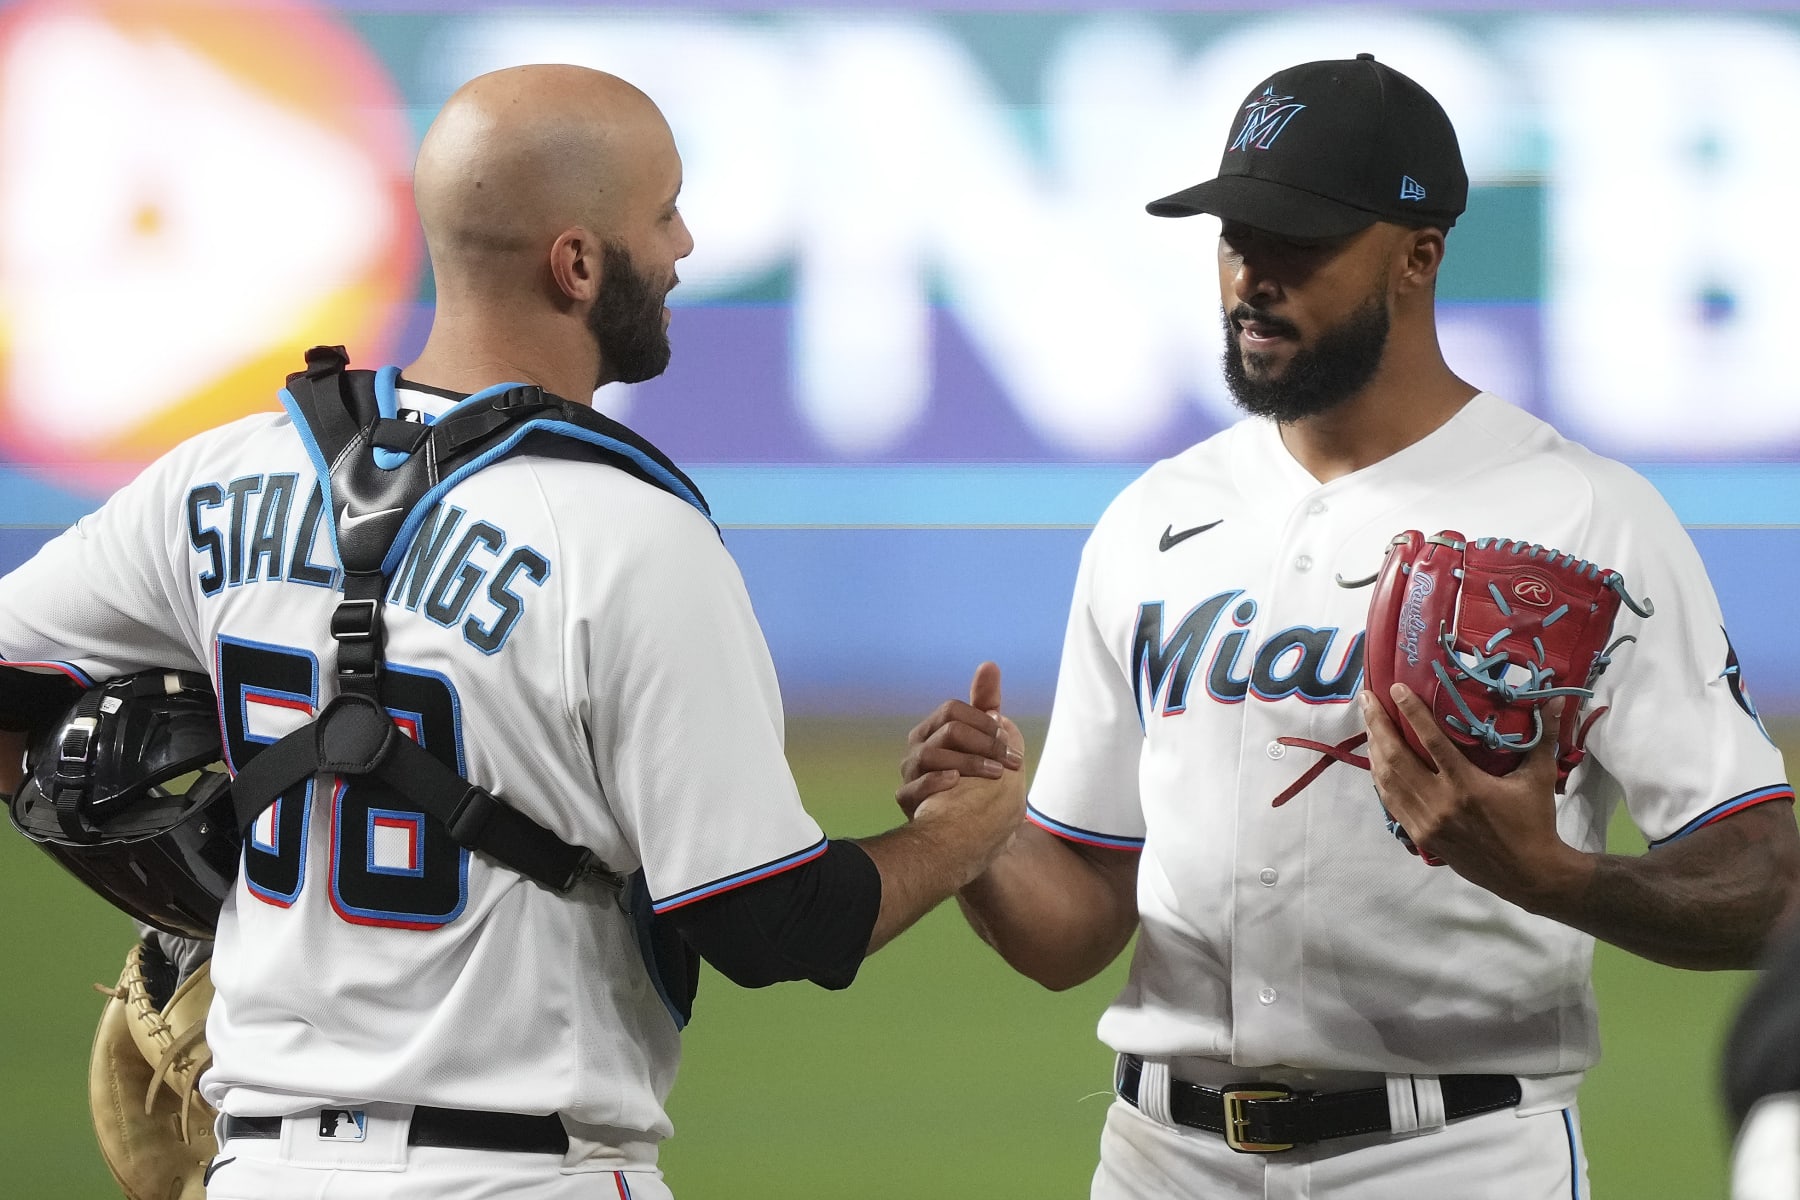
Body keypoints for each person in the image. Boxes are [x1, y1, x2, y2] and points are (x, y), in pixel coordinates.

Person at [0, 65, 1026, 1199]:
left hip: (267, 1169)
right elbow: (770, 922)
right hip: (524, 1174)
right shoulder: (634, 538)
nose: (686, 244)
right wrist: (964, 834)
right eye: (666, 211)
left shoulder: (217, 476)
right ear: (577, 264)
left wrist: (195, 902)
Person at [899, 53, 1800, 1198]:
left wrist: (1559, 877)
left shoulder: (1586, 516)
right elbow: (1074, 927)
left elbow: (1769, 883)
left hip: (1460, 1160)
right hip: (1159, 1162)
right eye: (1236, 238)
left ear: (1419, 254)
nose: (1251, 278)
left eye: (1299, 243)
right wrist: (979, 841)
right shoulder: (1155, 519)